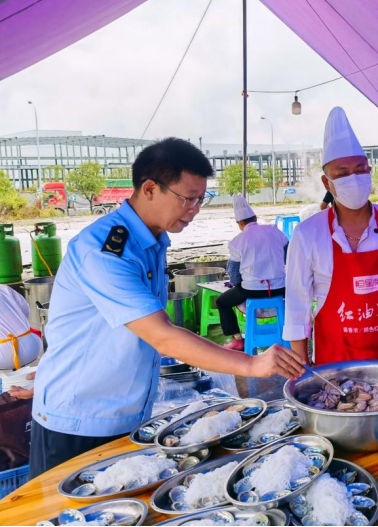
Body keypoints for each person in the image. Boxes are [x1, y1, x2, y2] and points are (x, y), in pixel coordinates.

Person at [30, 138, 305, 478]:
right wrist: (252, 363)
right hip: (78, 419)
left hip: (126, 413)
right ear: (149, 188)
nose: (195, 209)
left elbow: (164, 332)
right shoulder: (105, 250)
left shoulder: (152, 242)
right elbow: (163, 337)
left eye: (201, 199)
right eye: (188, 198)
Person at [284, 107, 378, 369]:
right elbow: (298, 305)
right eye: (342, 173)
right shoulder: (307, 234)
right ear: (327, 183)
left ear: (369, 171)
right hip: (335, 360)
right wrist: (301, 361)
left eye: (360, 169)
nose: (353, 178)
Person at [218, 195, 289, 352]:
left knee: (222, 302)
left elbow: (234, 274)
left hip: (252, 290)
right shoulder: (274, 230)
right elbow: (288, 256)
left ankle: (237, 340)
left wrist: (238, 285)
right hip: (281, 288)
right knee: (297, 296)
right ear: (255, 218)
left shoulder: (237, 241)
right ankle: (295, 332)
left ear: (240, 223)